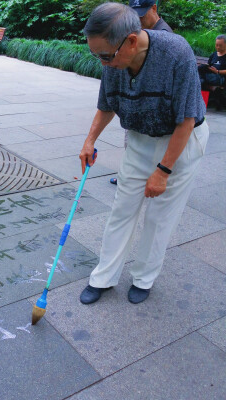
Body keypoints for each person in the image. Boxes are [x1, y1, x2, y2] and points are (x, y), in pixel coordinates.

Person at [79, 3, 208, 305]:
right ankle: (103, 277)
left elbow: (186, 119)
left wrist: (163, 171)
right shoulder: (113, 60)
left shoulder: (176, 53)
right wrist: (89, 140)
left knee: (160, 216)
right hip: (139, 136)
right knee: (122, 208)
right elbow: (106, 105)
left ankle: (144, 278)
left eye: (106, 56)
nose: (103, 63)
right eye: (95, 55)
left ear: (132, 42)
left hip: (181, 140)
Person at [110, 0, 172, 185]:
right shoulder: (138, 32)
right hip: (136, 101)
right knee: (131, 143)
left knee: (141, 145)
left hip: (150, 105)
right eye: (134, 14)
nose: (138, 19)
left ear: (154, 8)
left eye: (142, 14)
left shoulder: (164, 35)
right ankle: (129, 174)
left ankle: (142, 177)